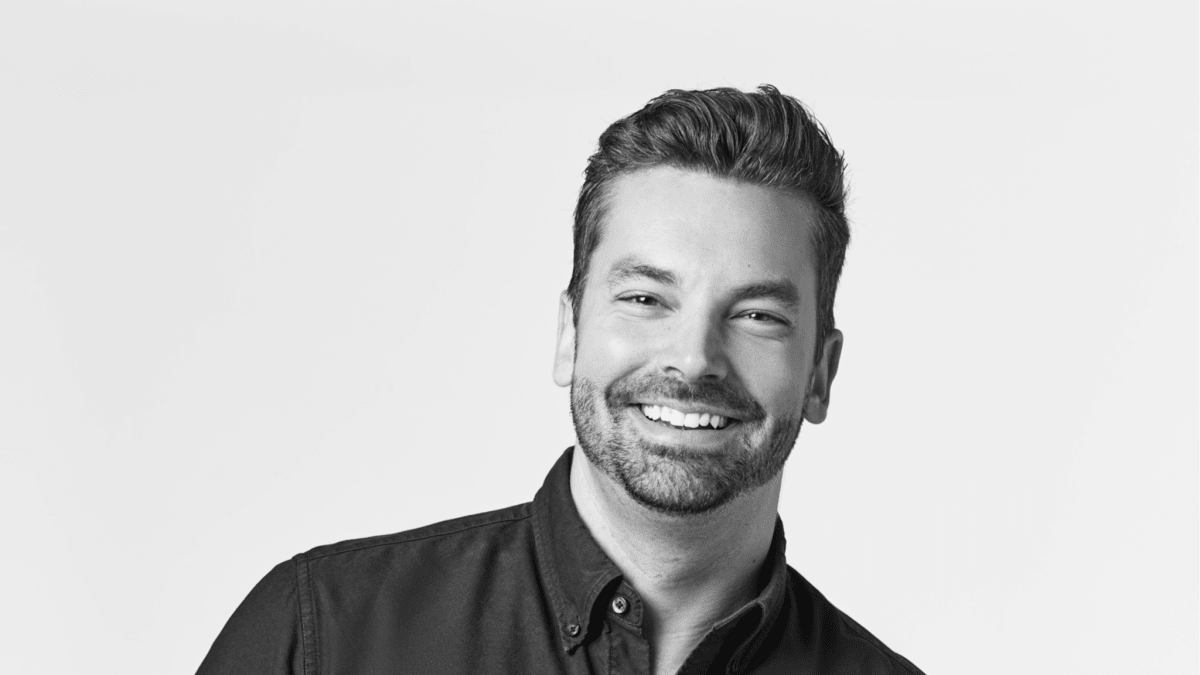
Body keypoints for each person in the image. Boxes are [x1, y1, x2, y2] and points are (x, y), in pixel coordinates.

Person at [196, 85, 925, 675]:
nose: (694, 358)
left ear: (821, 373)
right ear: (569, 335)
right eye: (645, 298)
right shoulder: (323, 638)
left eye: (757, 315)